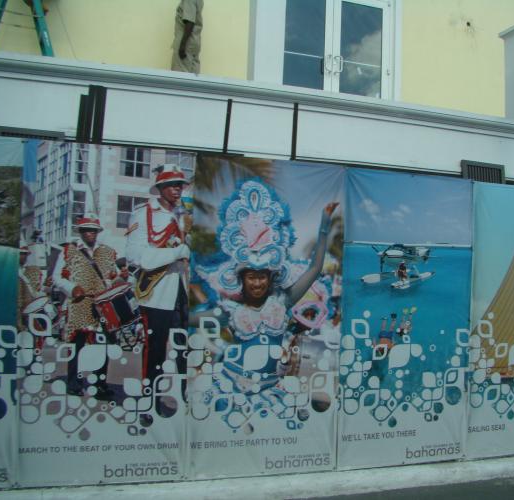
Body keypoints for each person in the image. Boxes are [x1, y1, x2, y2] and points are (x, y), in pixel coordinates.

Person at [197, 178, 338, 429]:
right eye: (251, 277)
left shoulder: (282, 302)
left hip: (271, 389)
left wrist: (324, 226)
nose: (257, 283)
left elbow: (315, 269)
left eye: (262, 276)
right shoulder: (230, 310)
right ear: (242, 280)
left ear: (270, 278)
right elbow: (192, 319)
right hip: (231, 386)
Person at [125, 164, 191, 417]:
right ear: (160, 188)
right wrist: (176, 252)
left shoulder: (184, 214)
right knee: (155, 350)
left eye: (180, 185)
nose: (177, 189)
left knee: (186, 348)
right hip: (157, 290)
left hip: (184, 289)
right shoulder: (144, 214)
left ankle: (184, 400)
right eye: (172, 185)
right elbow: (135, 256)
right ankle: (149, 403)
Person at [52, 214, 122, 400]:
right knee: (77, 344)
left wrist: (120, 279)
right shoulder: (68, 251)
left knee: (103, 345)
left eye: (93, 230)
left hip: (102, 305)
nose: (90, 233)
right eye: (86, 230)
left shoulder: (107, 252)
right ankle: (73, 383)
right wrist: (71, 288)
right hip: (79, 304)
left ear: (97, 232)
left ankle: (100, 385)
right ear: (80, 232)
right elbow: (57, 277)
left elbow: (114, 276)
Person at [171, 0, 204, 73]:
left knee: (179, 75)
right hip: (194, 41)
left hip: (186, 43)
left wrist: (182, 45)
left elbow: (190, 22)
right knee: (193, 76)